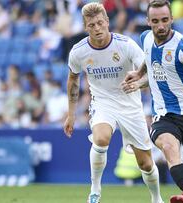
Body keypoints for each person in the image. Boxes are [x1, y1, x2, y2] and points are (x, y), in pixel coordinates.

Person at [63, 3, 163, 203]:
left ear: (108, 22)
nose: (97, 28)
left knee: (145, 164)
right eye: (91, 25)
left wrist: (139, 84)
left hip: (130, 105)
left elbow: (150, 71)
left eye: (100, 23)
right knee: (100, 139)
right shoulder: (78, 51)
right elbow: (73, 80)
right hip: (102, 102)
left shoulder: (125, 44)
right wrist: (71, 114)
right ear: (85, 27)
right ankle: (95, 190)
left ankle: (156, 198)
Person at [121, 1, 183, 203]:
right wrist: (139, 74)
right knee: (168, 146)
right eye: (155, 21)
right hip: (163, 114)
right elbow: (150, 61)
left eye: (165, 20)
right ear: (148, 21)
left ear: (172, 19)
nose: (161, 26)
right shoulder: (145, 38)